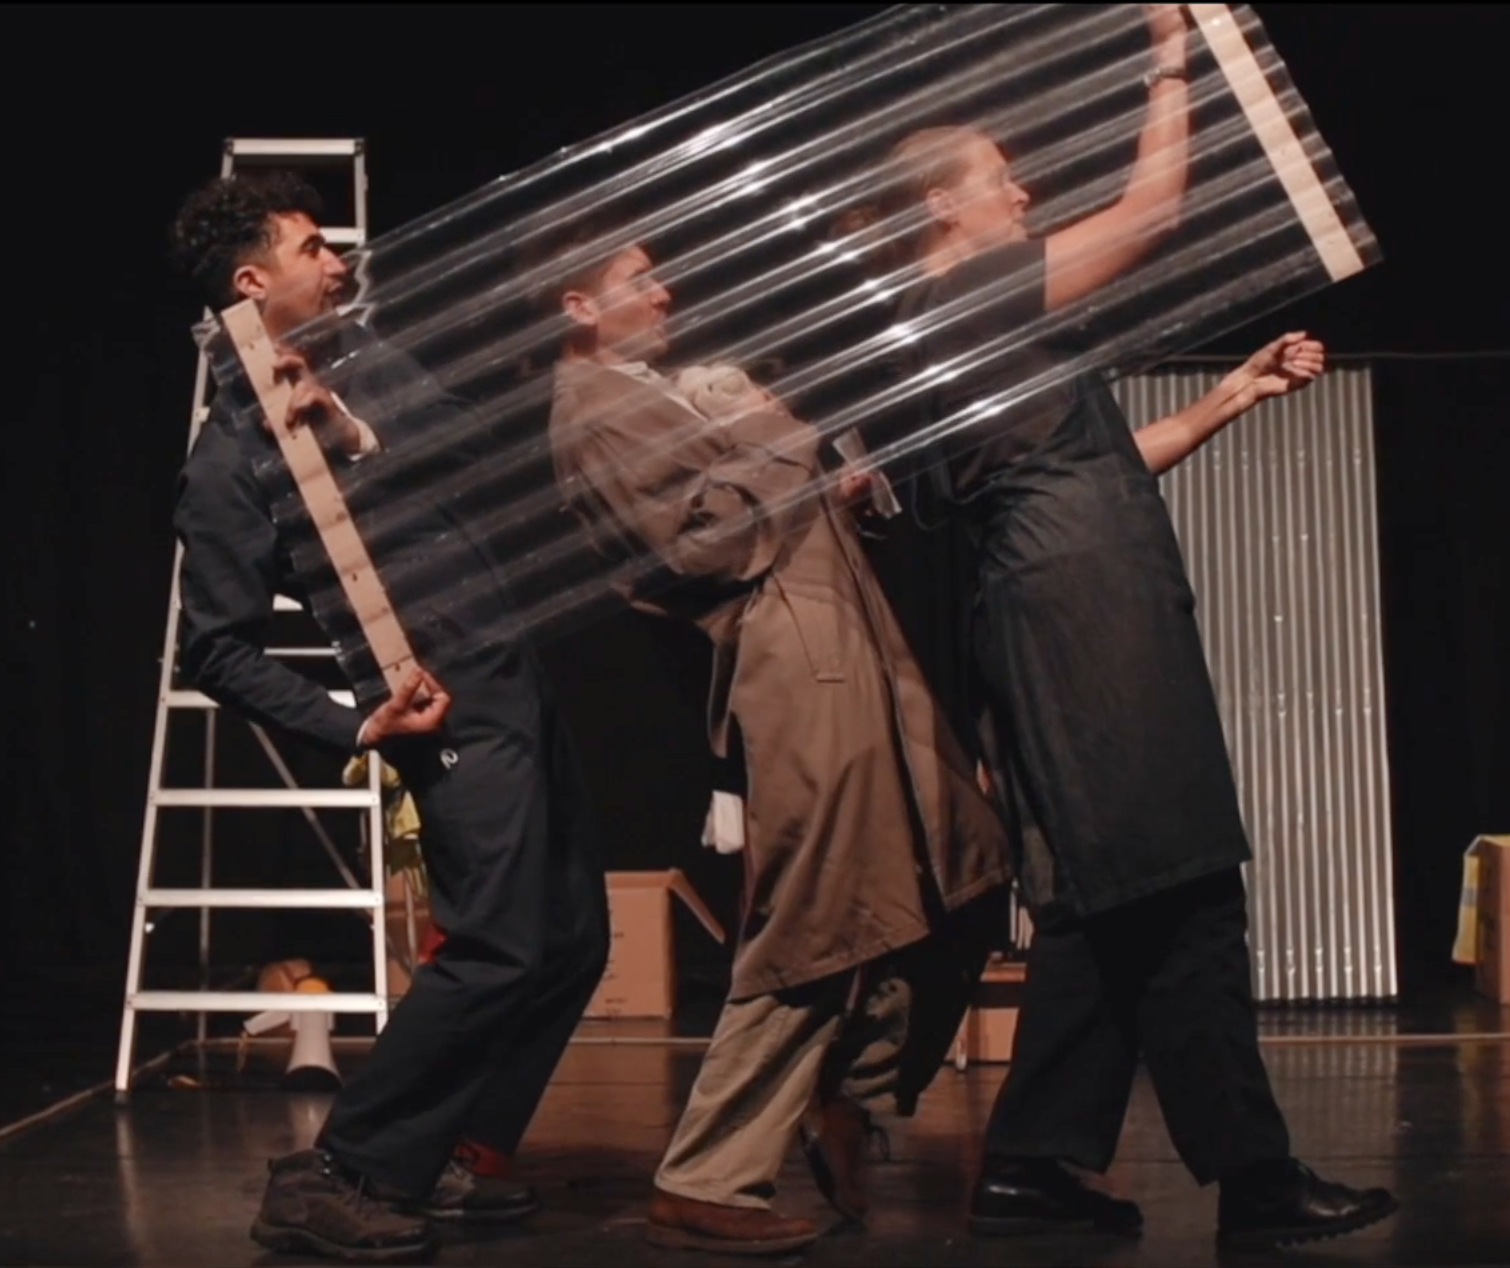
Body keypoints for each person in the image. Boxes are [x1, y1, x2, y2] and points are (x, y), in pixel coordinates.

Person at [870, 3, 1399, 1251]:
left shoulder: (962, 319)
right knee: (1181, 879)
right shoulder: (964, 289)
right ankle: (1255, 1178)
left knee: (1110, 895)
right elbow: (1153, 214)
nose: (1021, 191)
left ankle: (1029, 1161)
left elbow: (1081, 466)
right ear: (942, 207)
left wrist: (1230, 395)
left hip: (1067, 601)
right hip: (1078, 620)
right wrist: (1171, 51)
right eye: (999, 177)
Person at [543, 231, 1013, 1255]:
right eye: (636, 281)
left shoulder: (656, 391)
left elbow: (740, 504)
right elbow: (698, 544)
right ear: (578, 305)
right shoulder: (595, 408)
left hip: (844, 652)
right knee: (818, 921)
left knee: (965, 872)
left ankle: (844, 1091)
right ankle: (707, 1174)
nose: (663, 293)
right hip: (796, 672)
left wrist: (807, 475)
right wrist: (775, 434)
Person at [170, 172, 609, 1262]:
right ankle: (339, 1171)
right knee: (497, 941)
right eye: (312, 247)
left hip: (510, 675)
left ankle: (453, 1151)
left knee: (571, 937)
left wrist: (351, 420)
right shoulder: (226, 460)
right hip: (441, 705)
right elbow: (213, 648)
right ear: (251, 280)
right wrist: (353, 728)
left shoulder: (358, 361)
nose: (337, 262)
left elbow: (466, 442)